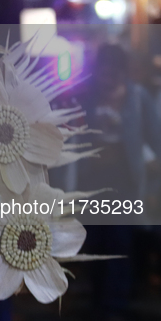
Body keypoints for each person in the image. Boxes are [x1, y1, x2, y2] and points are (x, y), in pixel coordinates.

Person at [79, 43, 161, 320]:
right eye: (104, 71)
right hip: (92, 183)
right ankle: (101, 299)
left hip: (124, 182)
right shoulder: (87, 96)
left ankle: (112, 305)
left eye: (114, 71)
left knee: (118, 241)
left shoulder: (137, 98)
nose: (108, 77)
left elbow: (155, 139)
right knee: (96, 241)